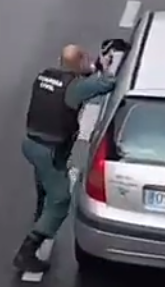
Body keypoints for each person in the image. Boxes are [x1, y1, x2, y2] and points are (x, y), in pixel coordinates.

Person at [13, 44, 117, 272]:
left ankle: (40, 213)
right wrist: (105, 69)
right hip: (49, 151)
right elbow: (106, 84)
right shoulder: (75, 88)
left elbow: (74, 81)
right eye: (85, 59)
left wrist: (92, 67)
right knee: (60, 199)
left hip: (34, 144)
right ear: (79, 62)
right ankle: (27, 251)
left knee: (46, 181)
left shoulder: (45, 76)